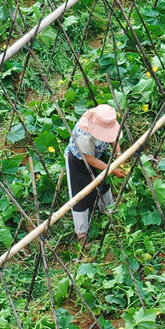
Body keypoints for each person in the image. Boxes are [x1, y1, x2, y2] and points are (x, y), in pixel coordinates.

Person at [65, 103, 125, 249]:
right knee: (80, 195)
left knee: (104, 184)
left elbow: (113, 137)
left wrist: (118, 154)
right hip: (79, 162)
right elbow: (90, 160)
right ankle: (82, 232)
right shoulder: (84, 135)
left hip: (98, 155)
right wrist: (113, 169)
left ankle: (108, 209)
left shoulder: (105, 121)